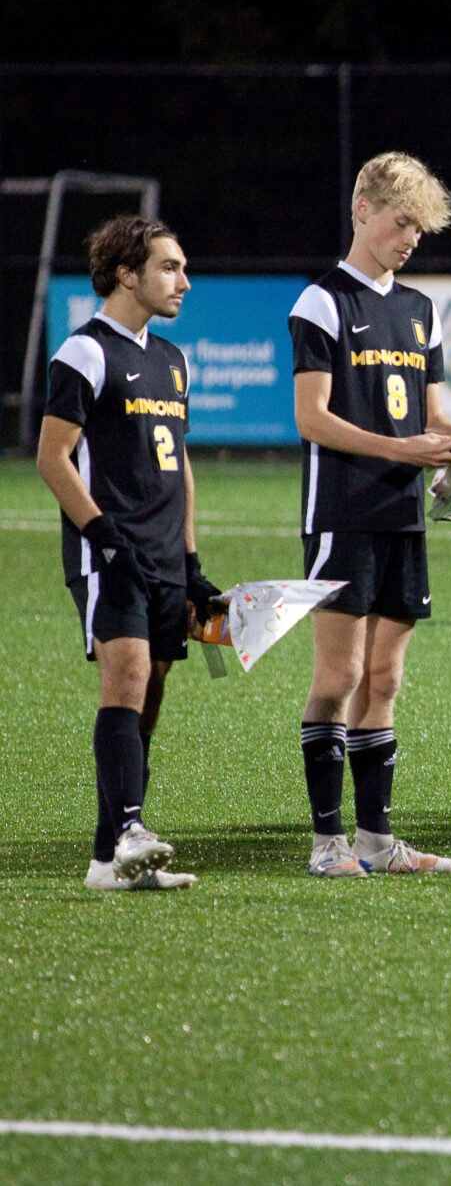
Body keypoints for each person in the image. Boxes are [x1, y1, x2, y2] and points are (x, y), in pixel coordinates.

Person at [289, 152, 451, 878]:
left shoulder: (420, 309)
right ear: (363, 209)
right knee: (339, 674)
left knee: (385, 678)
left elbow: (433, 415)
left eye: (420, 231)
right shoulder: (322, 302)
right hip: (342, 511)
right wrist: (404, 449)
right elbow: (312, 418)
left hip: (402, 515)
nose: (410, 239)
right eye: (402, 224)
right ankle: (326, 842)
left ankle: (375, 840)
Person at [38, 217, 216, 891]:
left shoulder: (171, 358)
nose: (184, 281)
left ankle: (106, 859)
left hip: (166, 555)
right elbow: (52, 458)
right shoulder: (84, 352)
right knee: (129, 676)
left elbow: (183, 465)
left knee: (153, 690)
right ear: (125, 273)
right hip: (109, 552)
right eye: (170, 267)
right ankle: (131, 829)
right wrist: (103, 536)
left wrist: (192, 560)